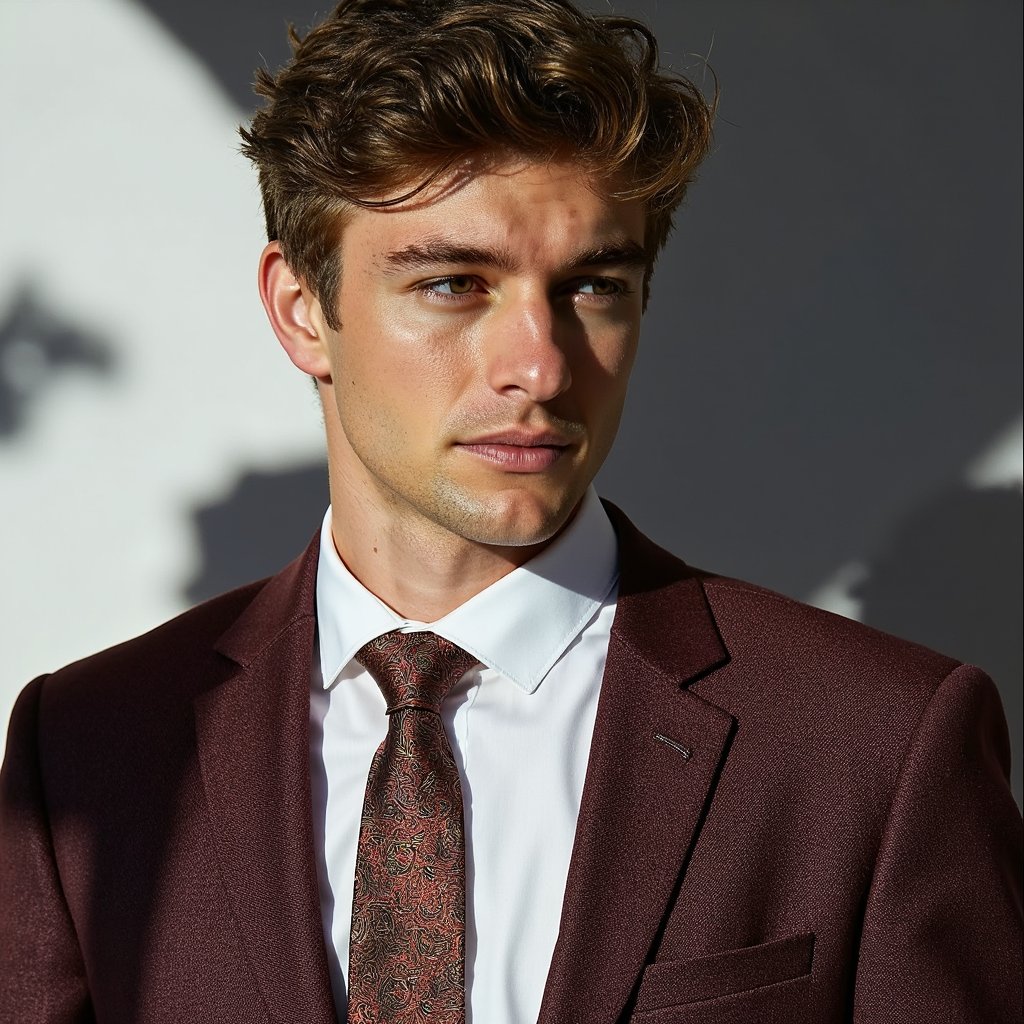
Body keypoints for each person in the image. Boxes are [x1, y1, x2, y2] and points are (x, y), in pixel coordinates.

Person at [0, 0, 1020, 1021]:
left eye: (590, 288)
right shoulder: (89, 748)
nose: (538, 366)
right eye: (453, 284)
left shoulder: (873, 746)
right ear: (302, 309)